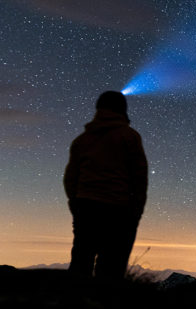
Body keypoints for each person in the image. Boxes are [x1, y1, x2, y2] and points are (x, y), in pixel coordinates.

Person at [64, 91, 148, 279]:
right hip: (119, 209)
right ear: (122, 109)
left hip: (86, 206)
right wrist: (137, 210)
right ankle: (105, 304)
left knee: (81, 261)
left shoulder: (82, 140)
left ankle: (75, 303)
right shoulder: (129, 136)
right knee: (112, 267)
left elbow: (71, 178)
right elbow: (139, 177)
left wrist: (76, 203)